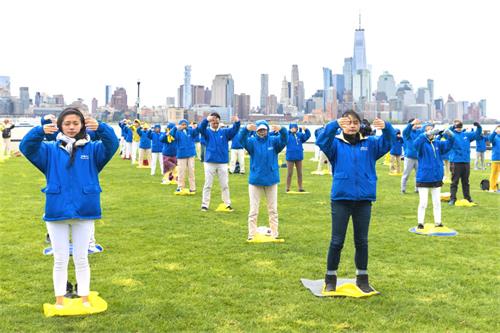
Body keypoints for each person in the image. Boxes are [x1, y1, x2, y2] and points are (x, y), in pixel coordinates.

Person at [20, 107, 119, 308]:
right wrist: (39, 131)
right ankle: (59, 301)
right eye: (67, 123)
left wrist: (102, 128)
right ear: (60, 126)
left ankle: (84, 299)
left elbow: (113, 144)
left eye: (76, 123)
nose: (72, 127)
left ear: (83, 125)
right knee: (60, 259)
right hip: (57, 210)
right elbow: (26, 147)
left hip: (85, 209)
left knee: (82, 258)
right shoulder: (48, 150)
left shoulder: (93, 149)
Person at [316, 110, 396, 293]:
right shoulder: (334, 144)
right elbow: (321, 140)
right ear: (343, 124)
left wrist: (388, 127)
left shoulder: (370, 144)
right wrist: (334, 124)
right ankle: (330, 279)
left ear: (360, 125)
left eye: (355, 122)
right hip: (341, 199)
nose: (352, 125)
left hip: (363, 199)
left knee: (362, 241)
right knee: (337, 241)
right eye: (348, 122)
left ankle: (362, 279)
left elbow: (389, 142)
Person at [239, 120, 288, 240]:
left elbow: (284, 139)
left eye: (264, 129)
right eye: (260, 130)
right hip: (255, 180)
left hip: (271, 180)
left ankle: (275, 234)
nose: (262, 132)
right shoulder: (252, 142)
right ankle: (251, 235)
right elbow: (241, 140)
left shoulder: (274, 141)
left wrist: (282, 129)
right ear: (256, 130)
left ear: (267, 129)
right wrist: (246, 129)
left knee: (273, 210)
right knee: (253, 210)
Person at [413, 124, 455, 229]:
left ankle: (438, 222)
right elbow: (416, 143)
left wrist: (450, 135)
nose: (431, 132)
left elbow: (449, 145)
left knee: (437, 202)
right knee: (423, 203)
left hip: (436, 177)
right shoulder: (421, 145)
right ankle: (420, 223)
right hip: (424, 178)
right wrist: (426, 134)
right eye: (428, 131)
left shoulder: (438, 143)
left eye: (432, 130)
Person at [199, 113, 240, 211]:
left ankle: (227, 204)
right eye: (213, 120)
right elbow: (201, 128)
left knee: (225, 185)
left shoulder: (225, 132)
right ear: (210, 122)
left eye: (217, 120)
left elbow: (234, 130)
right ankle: (205, 205)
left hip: (222, 163)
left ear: (219, 121)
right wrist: (206, 120)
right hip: (209, 163)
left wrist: (237, 122)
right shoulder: (207, 132)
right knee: (208, 185)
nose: (215, 122)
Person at [447, 120, 482, 205]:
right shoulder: (452, 135)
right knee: (454, 181)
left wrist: (479, 127)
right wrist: (452, 126)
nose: (459, 128)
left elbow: (477, 135)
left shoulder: (466, 135)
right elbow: (446, 133)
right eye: (457, 126)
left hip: (466, 161)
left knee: (466, 182)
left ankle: (467, 198)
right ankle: (452, 199)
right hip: (456, 162)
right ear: (455, 127)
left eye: (460, 126)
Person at [169, 120, 199, 193]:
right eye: (182, 124)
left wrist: (196, 126)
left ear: (187, 125)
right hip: (181, 154)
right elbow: (171, 134)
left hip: (191, 154)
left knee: (191, 171)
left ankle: (193, 187)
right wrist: (175, 127)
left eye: (185, 124)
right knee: (181, 171)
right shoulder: (177, 132)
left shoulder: (191, 131)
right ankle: (180, 187)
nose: (184, 126)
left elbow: (197, 131)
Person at [285, 123, 311, 192]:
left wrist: (306, 130)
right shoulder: (287, 135)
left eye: (295, 128)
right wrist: (289, 131)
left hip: (299, 157)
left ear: (297, 128)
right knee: (289, 173)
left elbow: (307, 136)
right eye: (292, 128)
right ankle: (287, 188)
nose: (294, 129)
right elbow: (283, 135)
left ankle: (300, 187)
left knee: (299, 173)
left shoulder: (300, 135)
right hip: (290, 157)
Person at [401, 118, 422, 193]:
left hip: (418, 157)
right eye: (414, 124)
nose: (415, 126)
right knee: (406, 174)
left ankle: (417, 189)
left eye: (416, 124)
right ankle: (403, 189)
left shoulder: (419, 132)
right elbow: (406, 130)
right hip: (409, 157)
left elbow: (426, 129)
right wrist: (412, 124)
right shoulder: (407, 133)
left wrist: (424, 125)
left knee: (418, 175)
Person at [488, 125, 500, 192]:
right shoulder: (495, 137)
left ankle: (497, 187)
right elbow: (490, 139)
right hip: (495, 159)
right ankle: (492, 188)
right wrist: (494, 132)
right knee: (494, 174)